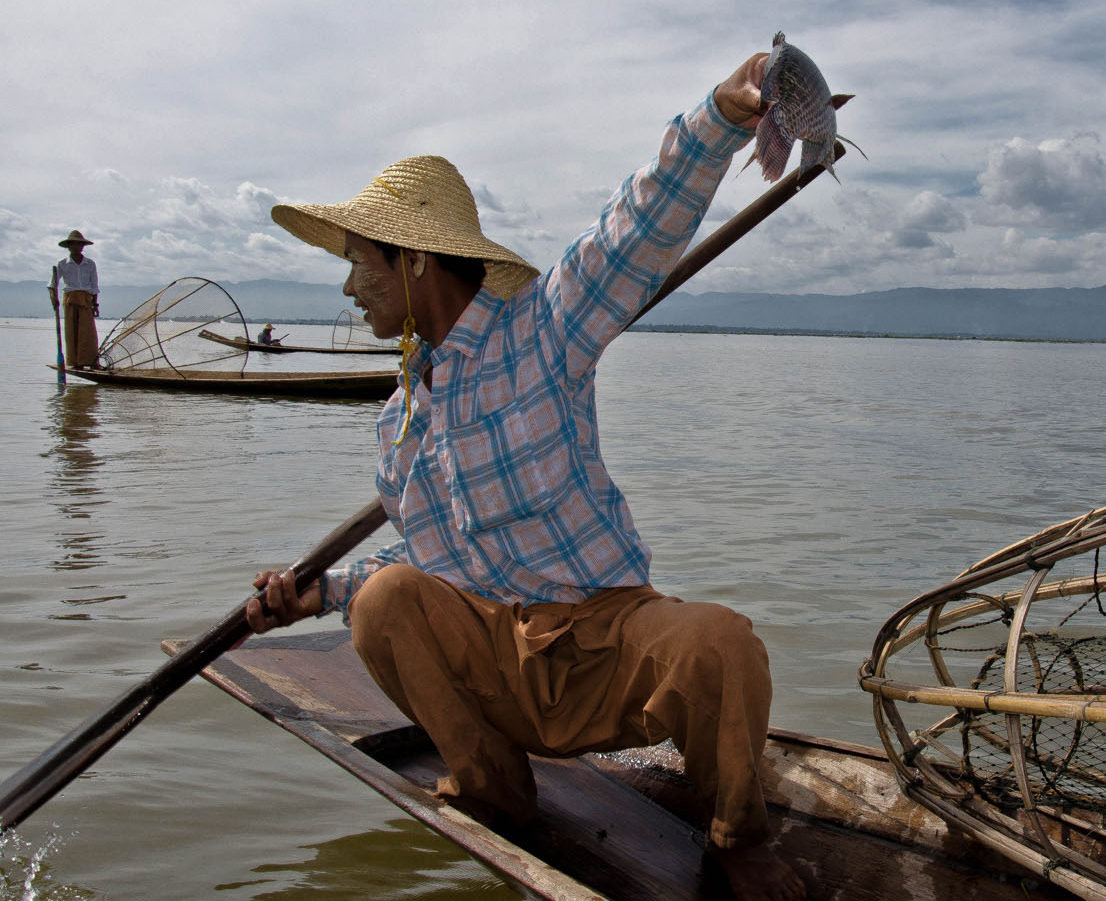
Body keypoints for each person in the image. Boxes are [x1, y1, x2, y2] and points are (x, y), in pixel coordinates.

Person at [244, 51, 805, 901]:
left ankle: (739, 836)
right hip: (501, 659)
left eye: (360, 262)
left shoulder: (542, 331)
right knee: (384, 600)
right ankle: (492, 787)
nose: (349, 287)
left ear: (415, 262)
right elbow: (430, 570)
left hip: (605, 641)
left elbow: (634, 229)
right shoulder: (399, 423)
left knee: (721, 644)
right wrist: (313, 591)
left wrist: (721, 118)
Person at [49, 230, 100, 369]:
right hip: (70, 299)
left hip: (85, 299)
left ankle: (90, 361)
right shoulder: (62, 264)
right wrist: (53, 298)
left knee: (88, 332)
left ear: (83, 247)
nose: (77, 247)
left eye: (80, 245)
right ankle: (75, 363)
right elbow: (52, 284)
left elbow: (94, 286)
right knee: (72, 332)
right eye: (74, 244)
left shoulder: (90, 264)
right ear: (69, 246)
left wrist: (95, 304)